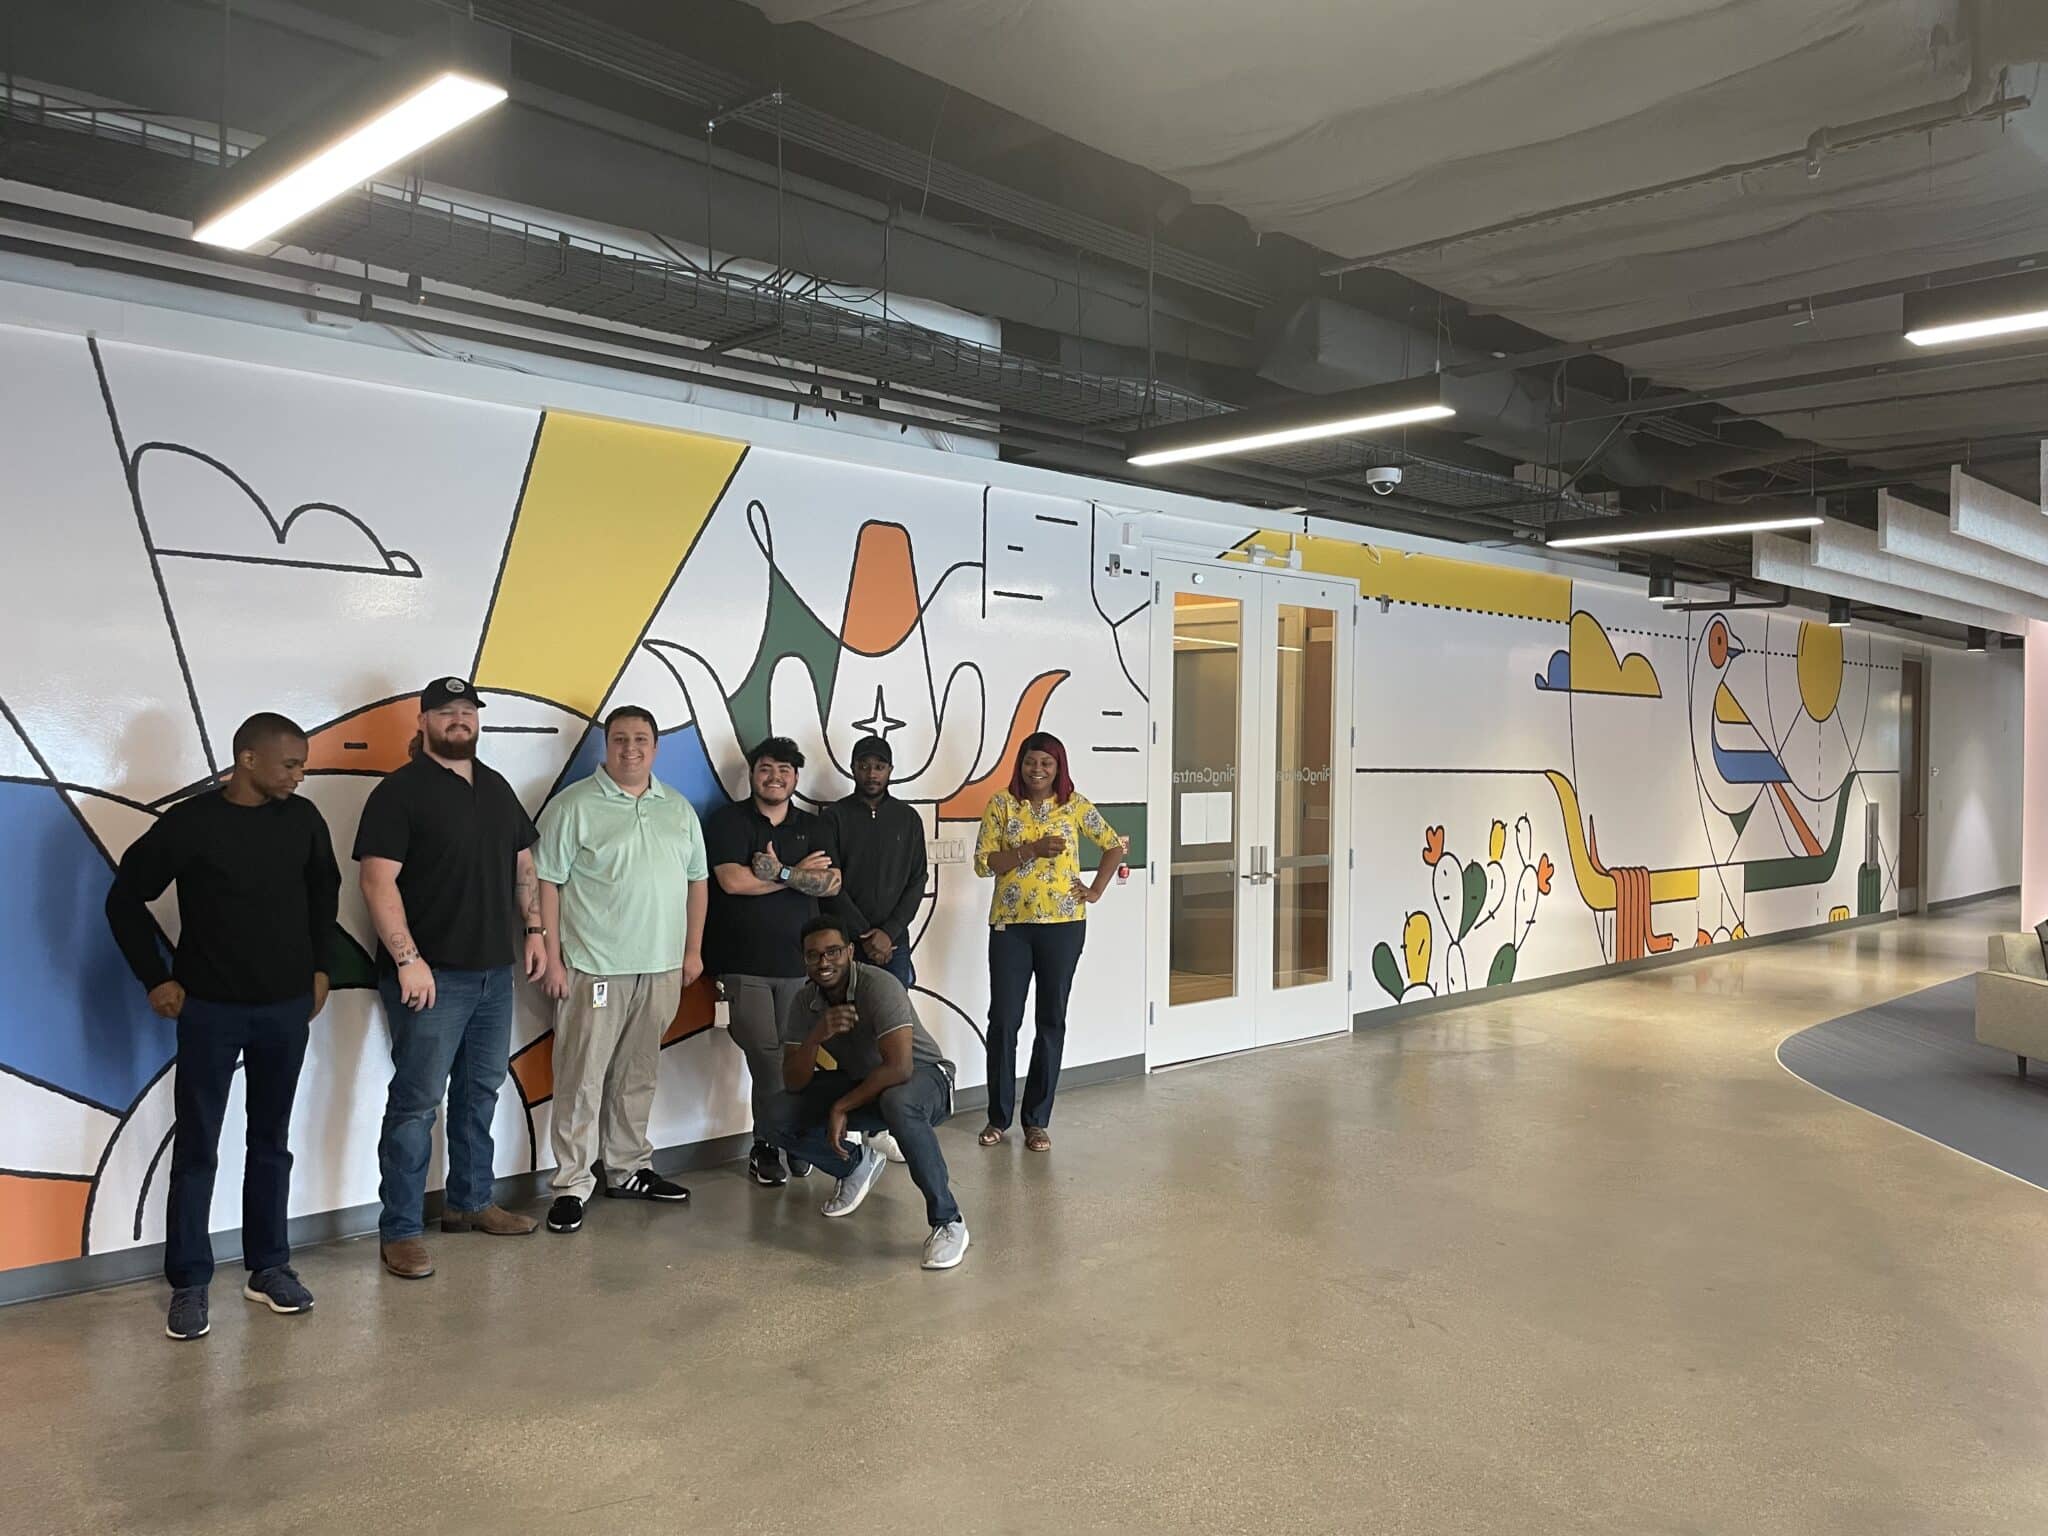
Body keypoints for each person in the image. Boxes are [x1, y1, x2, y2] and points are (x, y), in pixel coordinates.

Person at [104, 713, 339, 1342]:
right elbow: (123, 899)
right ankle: (189, 1282)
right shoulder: (190, 823)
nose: (299, 774)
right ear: (248, 759)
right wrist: (155, 979)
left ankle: (269, 1267)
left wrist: (322, 969)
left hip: (286, 1009)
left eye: (303, 764)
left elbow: (325, 895)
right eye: (290, 764)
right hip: (210, 1009)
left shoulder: (304, 820)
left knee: (271, 1142)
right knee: (198, 1146)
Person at [354, 677, 545, 1279]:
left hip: (494, 973)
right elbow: (376, 881)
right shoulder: (398, 793)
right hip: (431, 977)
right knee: (416, 1104)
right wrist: (408, 959)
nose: (459, 719)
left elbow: (523, 863)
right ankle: (401, 1230)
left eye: (467, 711)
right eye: (446, 712)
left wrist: (535, 930)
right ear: (424, 721)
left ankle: (470, 1201)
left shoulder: (495, 787)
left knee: (479, 1092)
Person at [534, 705, 707, 1234]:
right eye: (620, 739)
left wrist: (692, 951)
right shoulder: (573, 806)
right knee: (581, 1077)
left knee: (638, 1075)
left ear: (655, 747)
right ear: (606, 745)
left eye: (641, 739)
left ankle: (628, 1168)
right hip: (595, 968)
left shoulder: (678, 809)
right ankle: (571, 1183)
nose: (630, 748)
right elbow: (546, 883)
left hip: (661, 968)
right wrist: (553, 958)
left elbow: (697, 882)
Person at [763, 916, 969, 1270]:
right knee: (774, 1115)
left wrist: (841, 1107)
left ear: (850, 952)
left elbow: (900, 1068)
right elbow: (794, 1082)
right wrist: (816, 1036)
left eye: (833, 952)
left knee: (898, 1101)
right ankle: (855, 1165)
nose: (824, 962)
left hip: (926, 1079)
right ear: (804, 960)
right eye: (814, 955)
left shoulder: (879, 986)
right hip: (867, 1082)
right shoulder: (804, 1002)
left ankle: (949, 1221)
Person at [702, 736, 844, 1187]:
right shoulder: (728, 821)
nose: (775, 777)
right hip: (742, 963)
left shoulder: (813, 826)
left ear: (796, 777)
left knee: (796, 1057)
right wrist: (799, 876)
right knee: (766, 1061)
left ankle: (793, 1139)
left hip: (801, 967)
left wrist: (778, 871)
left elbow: (831, 884)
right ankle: (769, 1144)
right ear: (752, 773)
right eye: (766, 768)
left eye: (784, 770)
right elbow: (733, 882)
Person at [972, 730, 1123, 1152]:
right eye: (1030, 761)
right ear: (1020, 764)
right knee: (1004, 1020)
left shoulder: (1074, 805)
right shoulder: (1002, 804)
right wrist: (1032, 850)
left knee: (1051, 1019)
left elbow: (1113, 845)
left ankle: (1036, 1121)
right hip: (1011, 927)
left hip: (1064, 926)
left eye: (1046, 763)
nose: (1036, 769)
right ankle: (998, 1117)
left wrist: (1095, 890)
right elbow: (984, 864)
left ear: (1059, 767)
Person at [828, 734, 928, 991]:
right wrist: (865, 935)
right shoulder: (833, 817)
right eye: (864, 766)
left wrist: (889, 932)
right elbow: (829, 883)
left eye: (879, 767)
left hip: (893, 943)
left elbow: (918, 880)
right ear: (852, 769)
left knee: (894, 1013)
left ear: (890, 770)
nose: (871, 774)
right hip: (845, 941)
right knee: (846, 1013)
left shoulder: (908, 819)